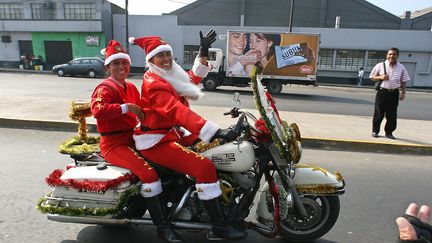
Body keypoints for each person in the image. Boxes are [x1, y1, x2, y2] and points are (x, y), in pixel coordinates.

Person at [129, 30, 247, 240]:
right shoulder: (153, 83)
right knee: (203, 166)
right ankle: (218, 226)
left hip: (170, 133)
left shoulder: (167, 74)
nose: (166, 59)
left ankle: (209, 200)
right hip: (155, 140)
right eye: (160, 55)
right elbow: (177, 111)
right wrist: (213, 130)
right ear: (151, 60)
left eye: (168, 54)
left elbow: (191, 78)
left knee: (215, 147)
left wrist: (203, 51)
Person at [90, 40, 182, 243]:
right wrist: (125, 108)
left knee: (169, 166)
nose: (121, 67)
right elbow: (98, 110)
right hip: (114, 144)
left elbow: (145, 110)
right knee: (149, 174)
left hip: (134, 139)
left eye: (124, 63)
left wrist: (170, 118)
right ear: (108, 67)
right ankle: (162, 228)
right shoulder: (104, 87)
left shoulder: (131, 86)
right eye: (116, 64)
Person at [369, 47, 410, 139]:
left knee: (392, 114)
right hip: (382, 92)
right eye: (390, 54)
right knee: (379, 113)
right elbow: (372, 77)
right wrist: (381, 77)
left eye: (394, 54)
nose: (391, 56)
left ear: (397, 56)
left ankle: (389, 132)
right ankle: (375, 131)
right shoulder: (380, 65)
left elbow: (404, 80)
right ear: (387, 55)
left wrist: (403, 92)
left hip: (394, 93)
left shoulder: (401, 67)